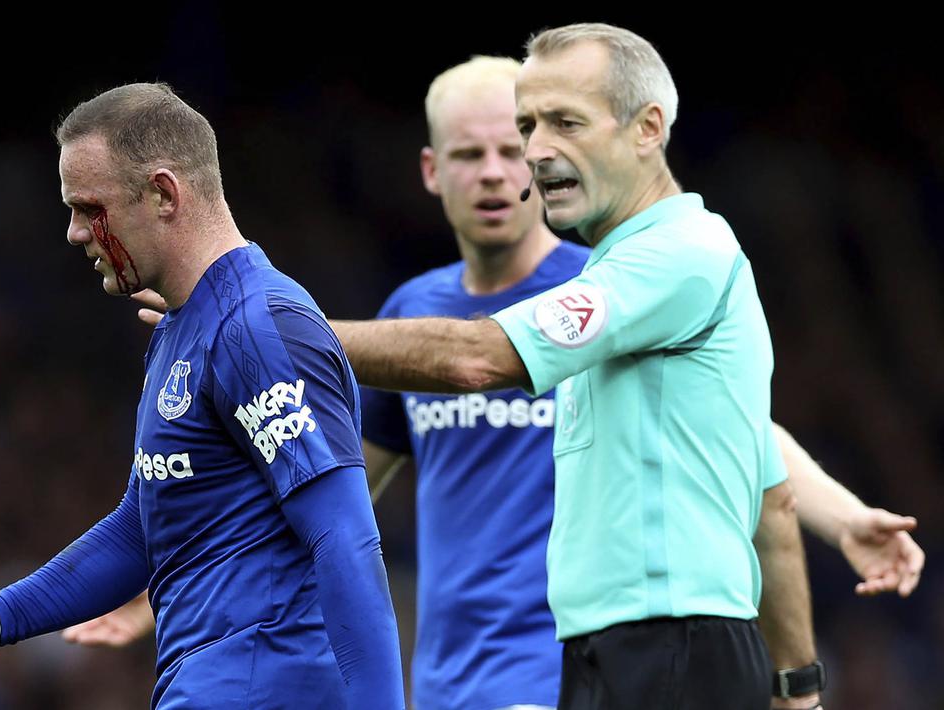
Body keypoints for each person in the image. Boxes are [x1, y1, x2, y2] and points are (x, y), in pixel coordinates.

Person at [100, 51, 925, 710]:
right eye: (478, 151)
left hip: (566, 657)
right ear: (432, 171)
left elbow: (738, 424)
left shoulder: (603, 285)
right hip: (456, 671)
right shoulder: (410, 313)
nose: (503, 168)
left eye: (521, 141)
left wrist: (841, 513)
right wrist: (171, 570)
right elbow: (336, 481)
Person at [326, 23, 823, 710]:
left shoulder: (674, 256)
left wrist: (276, 330)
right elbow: (773, 501)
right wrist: (797, 685)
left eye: (565, 122)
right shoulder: (625, 275)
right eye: (528, 124)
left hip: (671, 649)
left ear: (647, 127)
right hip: (612, 652)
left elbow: (477, 356)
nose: (536, 152)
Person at [0, 83, 405, 709]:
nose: (74, 233)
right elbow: (142, 529)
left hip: (266, 688)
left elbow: (344, 539)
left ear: (164, 193)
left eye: (90, 209)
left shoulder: (261, 329)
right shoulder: (182, 327)